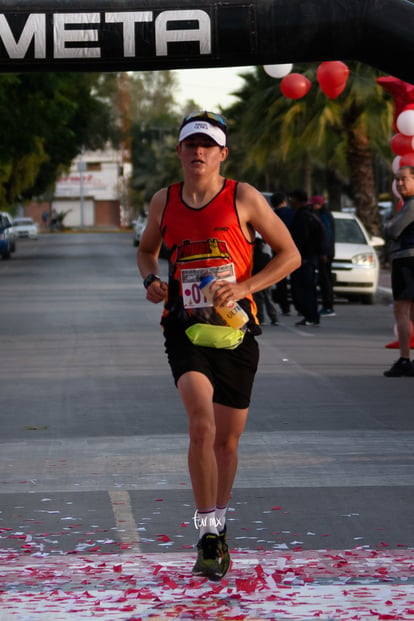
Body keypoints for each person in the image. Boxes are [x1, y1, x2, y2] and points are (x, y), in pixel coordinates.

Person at [137, 110, 301, 580]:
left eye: (207, 145)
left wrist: (246, 286)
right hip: (184, 328)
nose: (198, 152)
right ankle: (207, 532)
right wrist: (151, 277)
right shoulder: (163, 201)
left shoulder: (243, 197)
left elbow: (291, 255)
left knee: (228, 441)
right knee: (202, 427)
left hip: (236, 330)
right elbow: (147, 250)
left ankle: (220, 523)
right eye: (191, 145)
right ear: (180, 152)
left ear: (222, 154)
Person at [384, 165, 414, 377]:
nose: (400, 183)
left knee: (401, 310)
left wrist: (389, 225)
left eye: (404, 179)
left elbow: (393, 231)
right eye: (397, 179)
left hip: (407, 260)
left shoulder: (411, 205)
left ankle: (404, 359)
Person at [288, 189, 327, 326]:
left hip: (305, 260)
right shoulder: (308, 214)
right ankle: (309, 316)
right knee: (304, 289)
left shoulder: (304, 216)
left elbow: (304, 238)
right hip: (307, 258)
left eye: (292, 198)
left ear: (297, 199)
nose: (290, 201)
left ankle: (310, 316)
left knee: (305, 289)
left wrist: (306, 255)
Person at [310, 195, 336, 317]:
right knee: (323, 280)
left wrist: (324, 252)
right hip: (324, 253)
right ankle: (327, 305)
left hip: (325, 254)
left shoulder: (324, 216)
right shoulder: (322, 214)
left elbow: (327, 234)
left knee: (326, 281)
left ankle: (328, 306)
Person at [271, 192, 294, 315]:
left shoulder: (272, 215)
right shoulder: (292, 214)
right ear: (284, 201)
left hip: (277, 252)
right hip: (293, 251)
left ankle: (285, 307)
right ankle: (300, 306)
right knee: (296, 281)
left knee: (281, 281)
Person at [252, 235, 279, 325]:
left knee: (258, 300)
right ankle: (274, 317)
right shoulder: (266, 256)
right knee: (268, 299)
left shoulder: (251, 257)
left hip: (255, 280)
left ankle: (260, 318)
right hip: (266, 280)